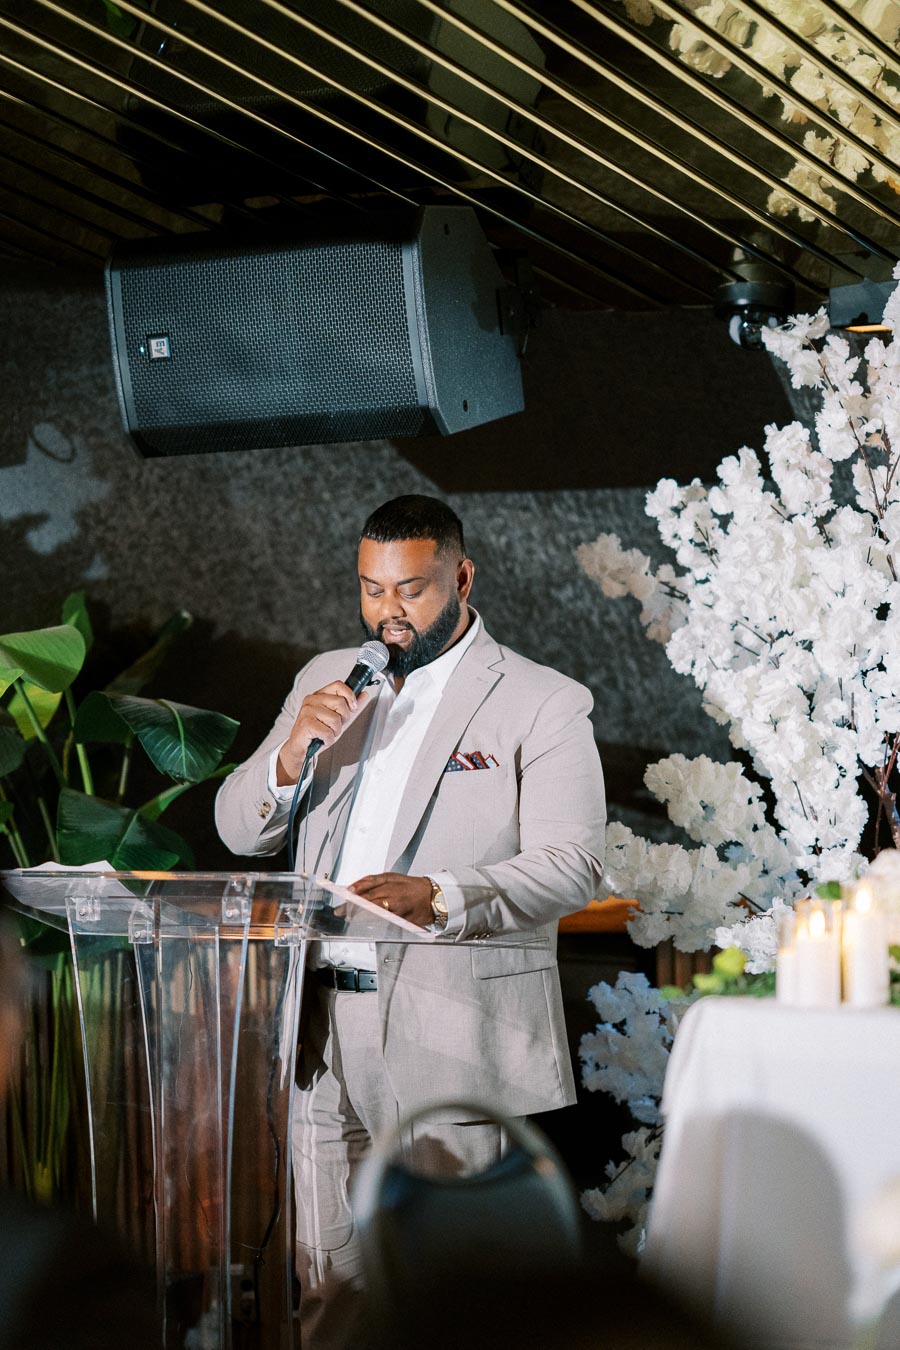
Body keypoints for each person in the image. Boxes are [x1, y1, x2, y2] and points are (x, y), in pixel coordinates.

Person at [215, 494, 606, 1348]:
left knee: (454, 1298)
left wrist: (440, 894)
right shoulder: (326, 679)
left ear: (462, 577)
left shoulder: (542, 700)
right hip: (318, 1025)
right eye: (371, 590)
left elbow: (574, 865)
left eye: (412, 590)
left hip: (452, 1026)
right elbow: (238, 828)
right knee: (332, 1294)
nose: (388, 613)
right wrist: (288, 756)